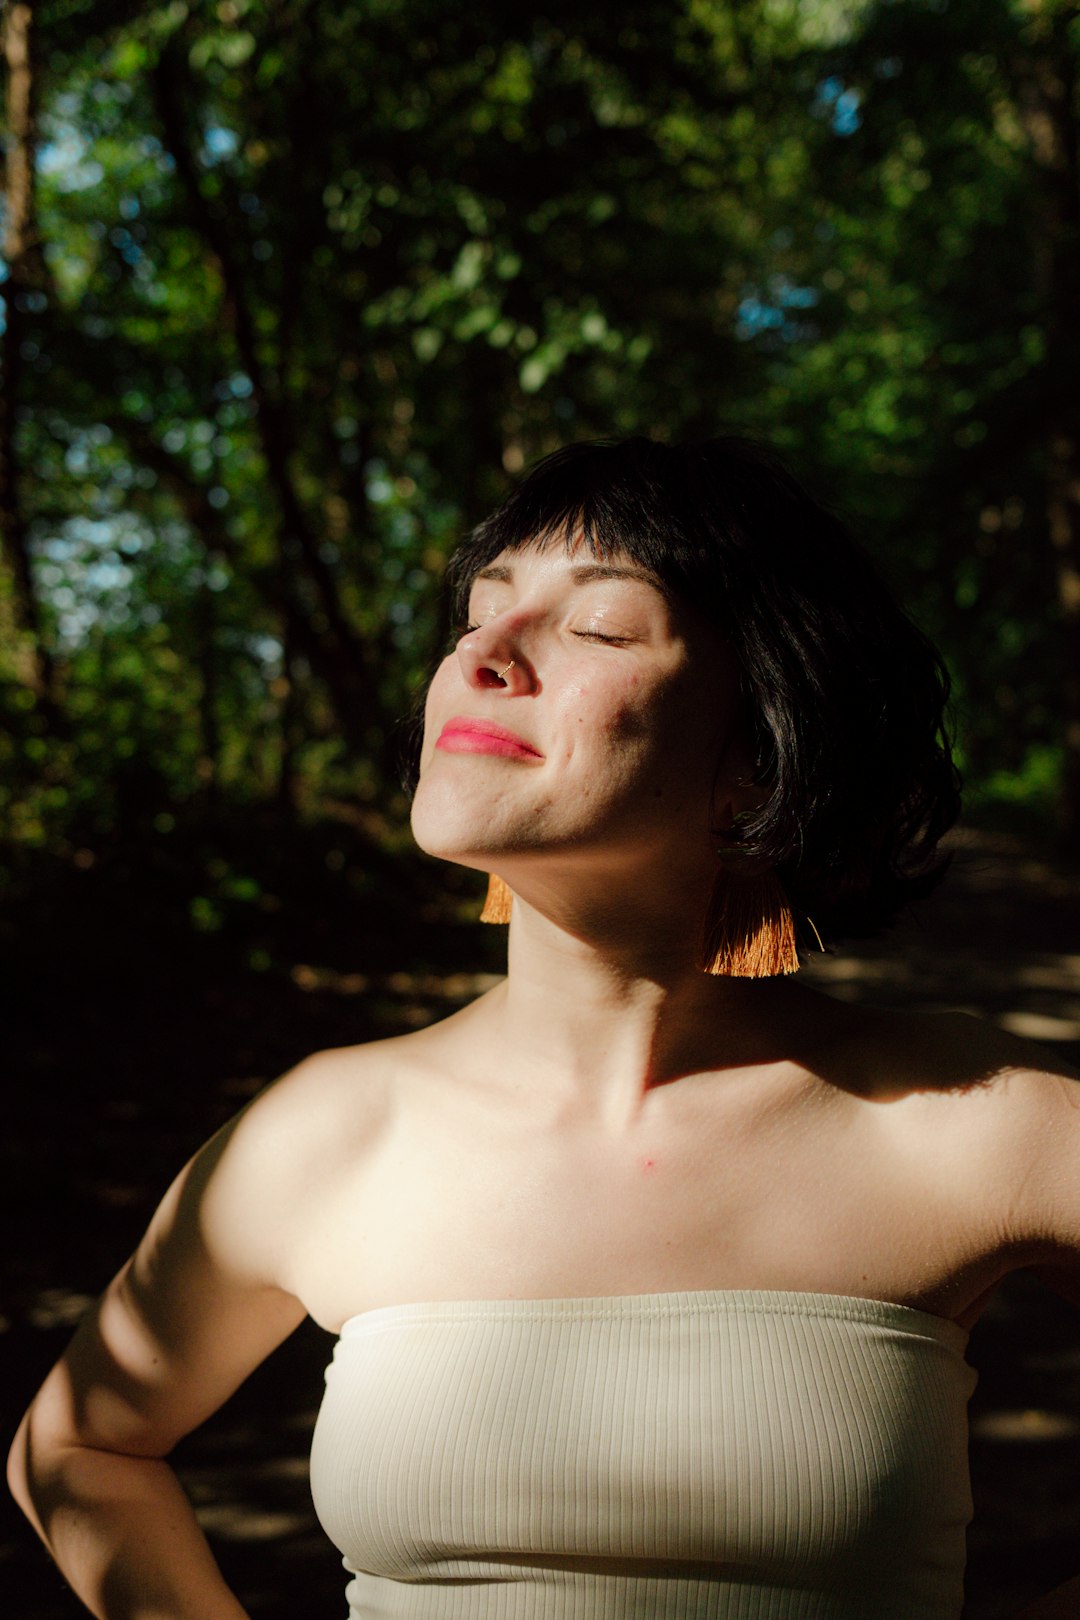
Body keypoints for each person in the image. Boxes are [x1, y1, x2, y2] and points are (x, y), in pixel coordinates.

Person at [8, 434, 1080, 1620]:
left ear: (757, 760)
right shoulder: (325, 1129)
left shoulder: (975, 1120)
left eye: (600, 627)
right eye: (478, 613)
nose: (485, 655)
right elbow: (79, 1449)